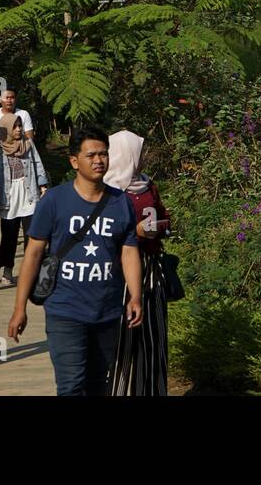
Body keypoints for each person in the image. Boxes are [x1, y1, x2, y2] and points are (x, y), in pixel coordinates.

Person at [9, 126, 143, 396]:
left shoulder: (122, 203)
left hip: (107, 311)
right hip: (65, 310)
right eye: (91, 154)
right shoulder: (55, 201)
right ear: (74, 161)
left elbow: (129, 252)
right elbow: (33, 254)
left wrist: (136, 296)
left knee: (98, 386)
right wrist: (19, 307)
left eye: (103, 154)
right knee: (71, 387)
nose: (98, 160)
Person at [105, 130, 172, 396]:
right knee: (122, 341)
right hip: (121, 273)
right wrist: (137, 232)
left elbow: (165, 215)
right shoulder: (109, 192)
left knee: (153, 340)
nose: (144, 157)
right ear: (127, 155)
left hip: (151, 271)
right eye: (140, 152)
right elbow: (106, 231)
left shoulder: (147, 184)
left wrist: (161, 227)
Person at [0, 113, 48, 285]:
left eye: (20, 126)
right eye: (15, 127)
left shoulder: (28, 144)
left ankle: (31, 270)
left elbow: (38, 164)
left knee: (32, 235)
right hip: (9, 196)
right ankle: (7, 270)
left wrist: (43, 186)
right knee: (9, 235)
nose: (18, 129)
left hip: (29, 193)